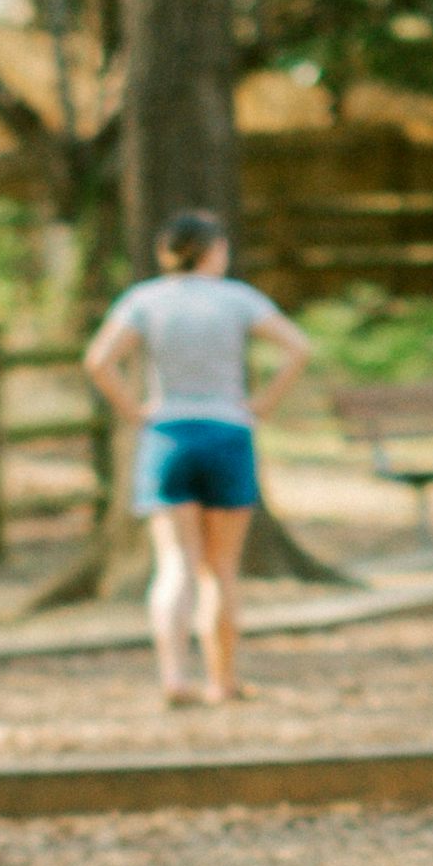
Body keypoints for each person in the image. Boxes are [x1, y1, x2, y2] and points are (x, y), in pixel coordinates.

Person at [84, 211, 313, 708]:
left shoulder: (144, 300)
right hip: (229, 432)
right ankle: (223, 680)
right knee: (221, 569)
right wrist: (264, 403)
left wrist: (133, 412)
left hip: (167, 435)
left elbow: (99, 361)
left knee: (174, 564)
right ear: (214, 251)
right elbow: (298, 347)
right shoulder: (237, 299)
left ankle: (173, 678)